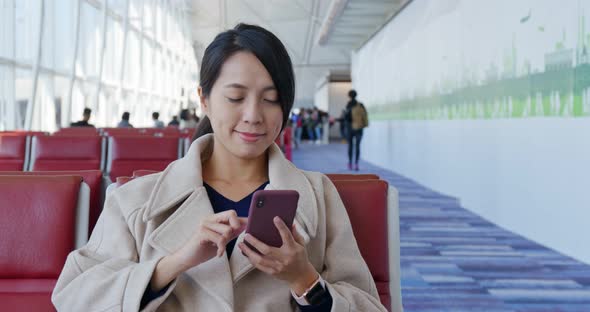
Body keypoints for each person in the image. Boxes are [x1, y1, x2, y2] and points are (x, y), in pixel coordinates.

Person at [52, 23, 385, 312]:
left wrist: (304, 279)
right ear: (204, 99)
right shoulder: (135, 201)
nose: (254, 115)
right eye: (236, 98)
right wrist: (173, 264)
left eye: (271, 99)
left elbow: (368, 304)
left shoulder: (318, 196)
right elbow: (73, 298)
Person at [344, 89, 368, 171]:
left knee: (350, 146)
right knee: (358, 146)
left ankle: (350, 163)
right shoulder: (360, 105)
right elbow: (365, 116)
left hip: (350, 128)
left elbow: (346, 118)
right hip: (359, 128)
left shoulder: (348, 105)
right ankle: (356, 164)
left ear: (349, 96)